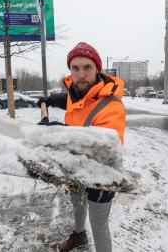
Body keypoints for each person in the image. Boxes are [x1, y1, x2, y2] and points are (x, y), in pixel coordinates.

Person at [38, 42, 126, 252]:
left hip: (101, 175)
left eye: (87, 67)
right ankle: (79, 236)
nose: (81, 74)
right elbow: (69, 100)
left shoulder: (111, 105)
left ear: (98, 70)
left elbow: (104, 146)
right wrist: (49, 100)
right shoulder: (76, 94)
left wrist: (57, 131)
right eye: (75, 68)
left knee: (99, 224)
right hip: (75, 168)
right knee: (77, 203)